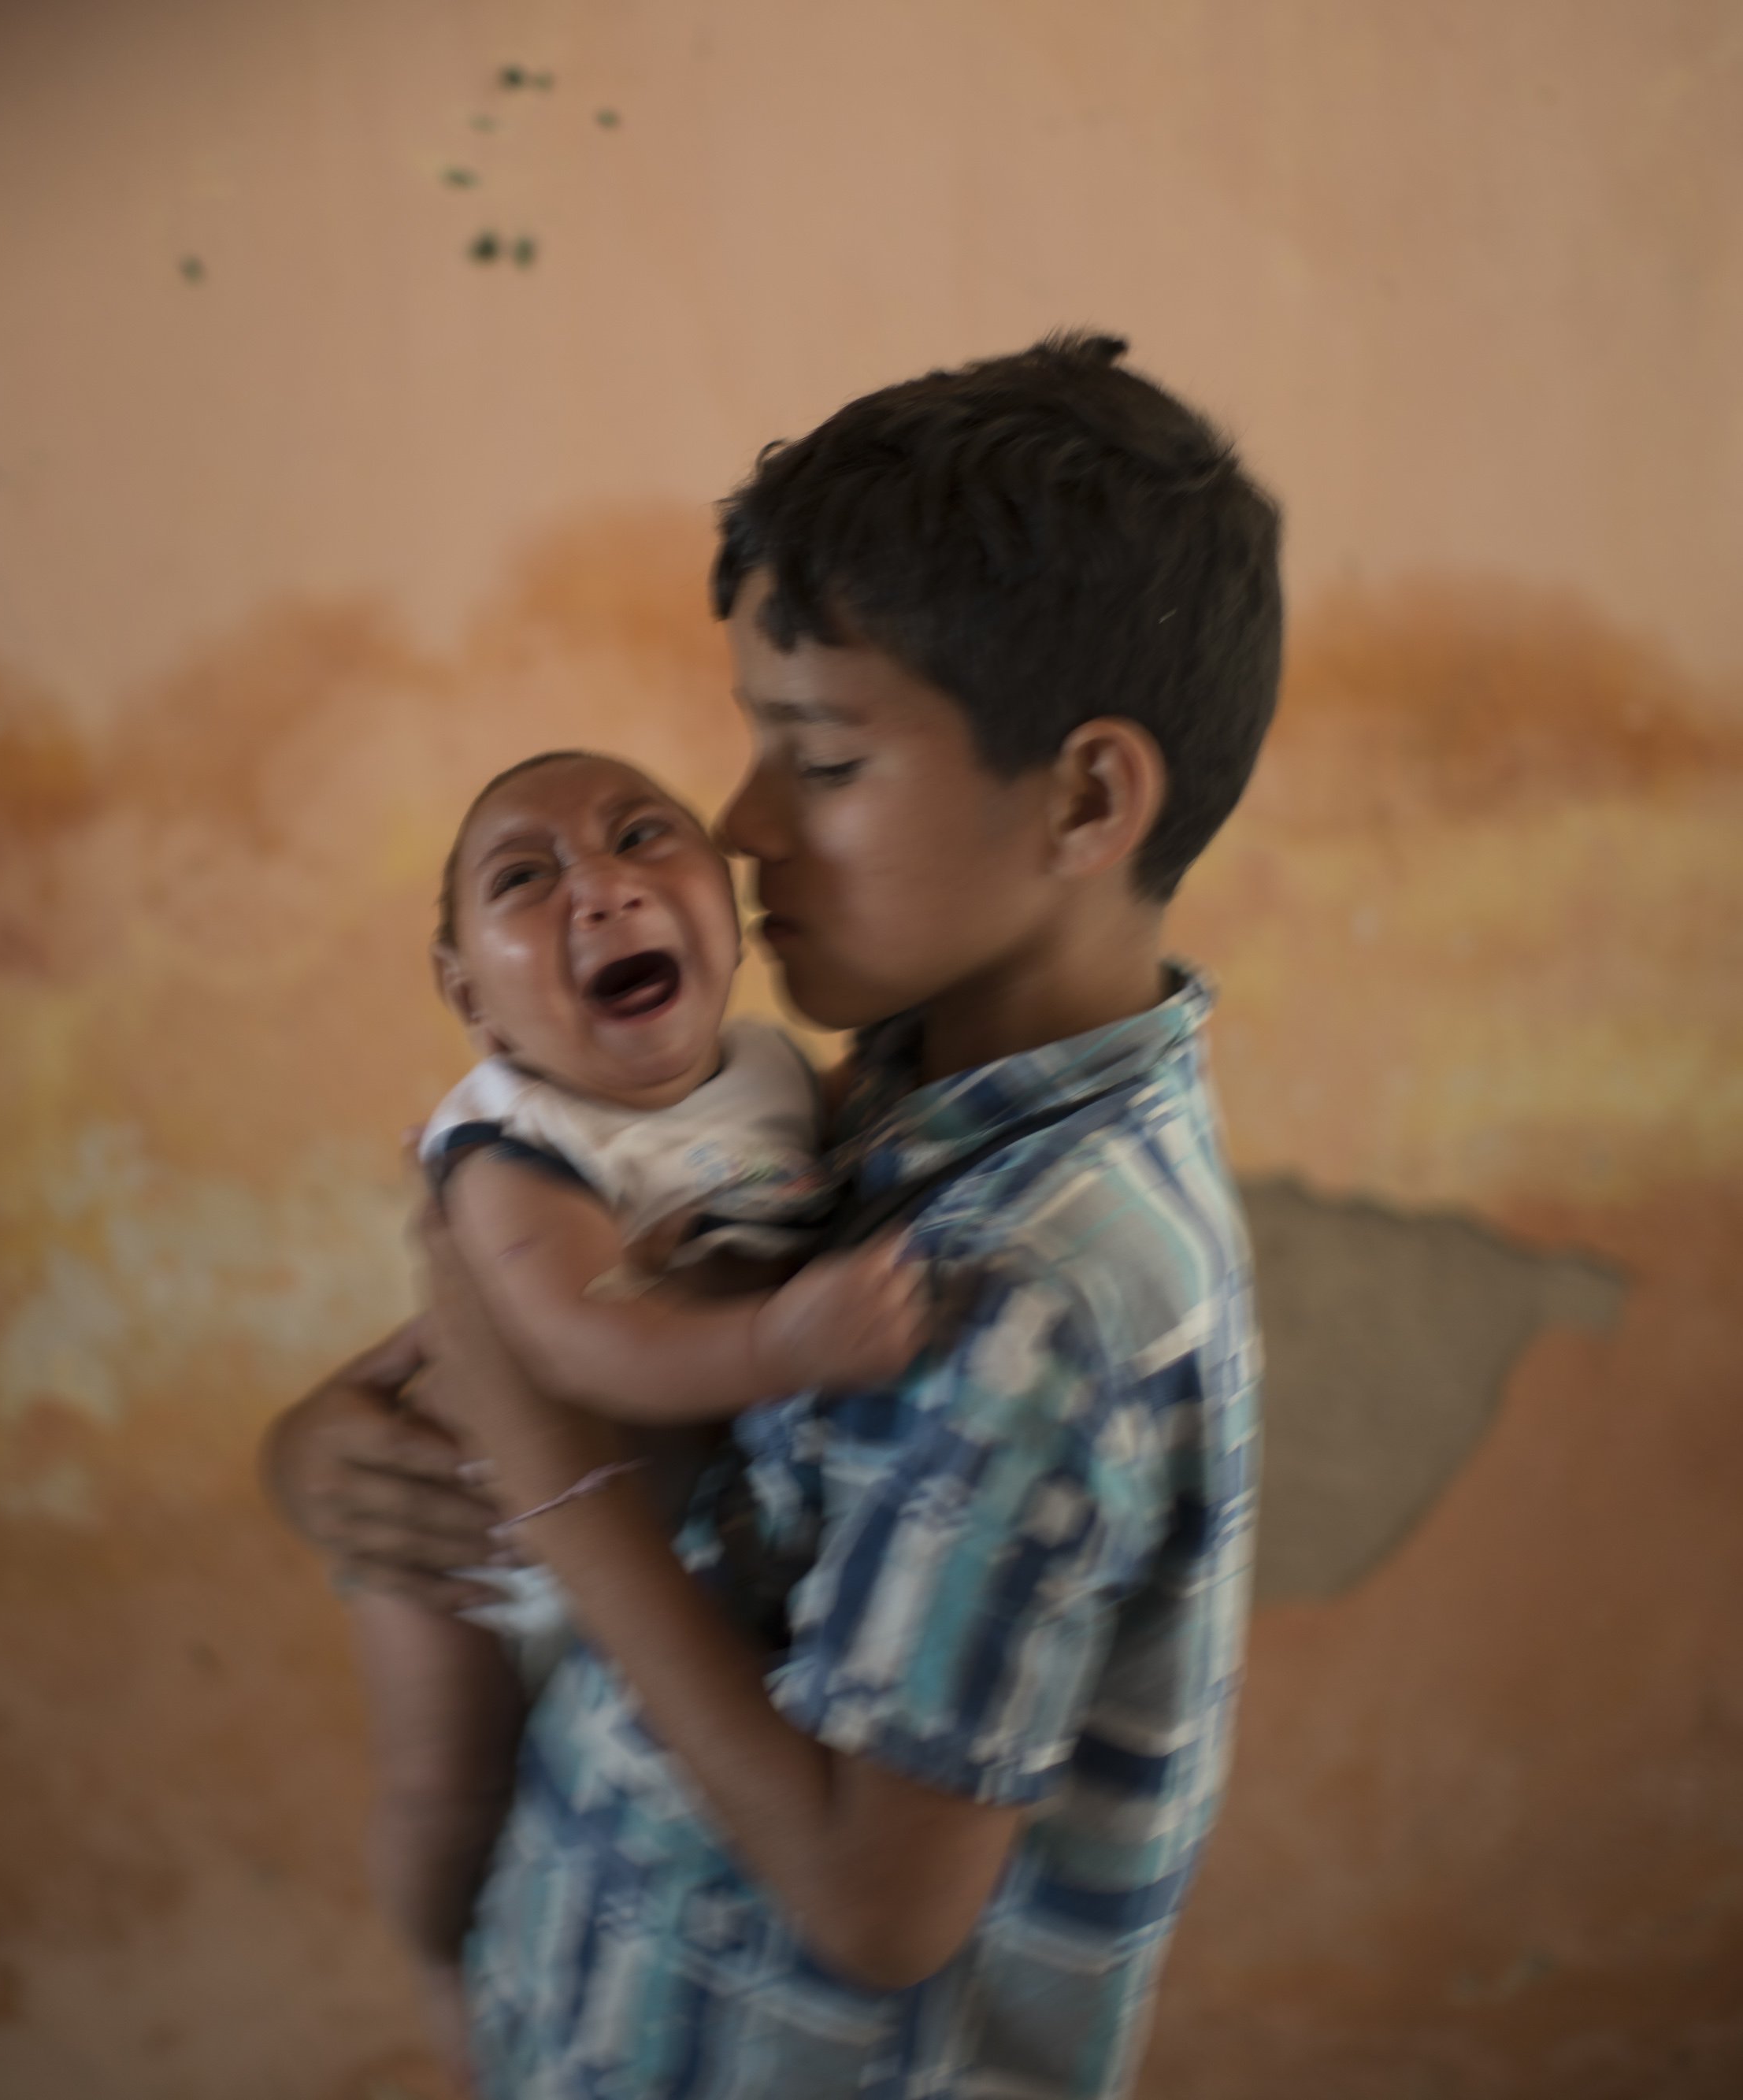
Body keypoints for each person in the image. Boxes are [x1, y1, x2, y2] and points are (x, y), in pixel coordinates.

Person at [261, 330, 1281, 2096]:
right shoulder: (892, 1092)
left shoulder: (1038, 1287)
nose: (735, 828)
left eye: (815, 758)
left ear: (1086, 798)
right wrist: (335, 1448)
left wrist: (555, 1490)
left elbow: (870, 1903)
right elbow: (574, 1338)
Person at [358, 747, 929, 2077]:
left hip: (623, 1535)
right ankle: (445, 1974)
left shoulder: (778, 1077)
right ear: (467, 992)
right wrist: (780, 1338)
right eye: (525, 877)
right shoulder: (511, 1140)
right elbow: (582, 1343)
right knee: (448, 1786)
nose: (601, 887)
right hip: (470, 1546)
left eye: (640, 836)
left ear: (726, 915)